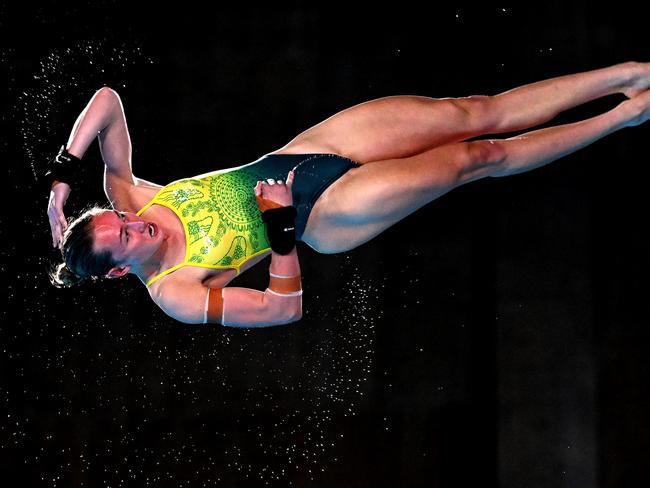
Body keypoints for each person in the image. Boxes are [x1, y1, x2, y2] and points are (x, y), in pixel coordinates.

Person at [46, 61, 650, 327]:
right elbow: (284, 309)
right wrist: (280, 231)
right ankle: (622, 119)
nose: (136, 228)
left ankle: (626, 74)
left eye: (118, 220)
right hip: (324, 214)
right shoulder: (174, 293)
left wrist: (64, 177)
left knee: (472, 112)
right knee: (477, 159)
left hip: (308, 147)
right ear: (119, 272)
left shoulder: (130, 195)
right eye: (125, 240)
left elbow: (106, 102)